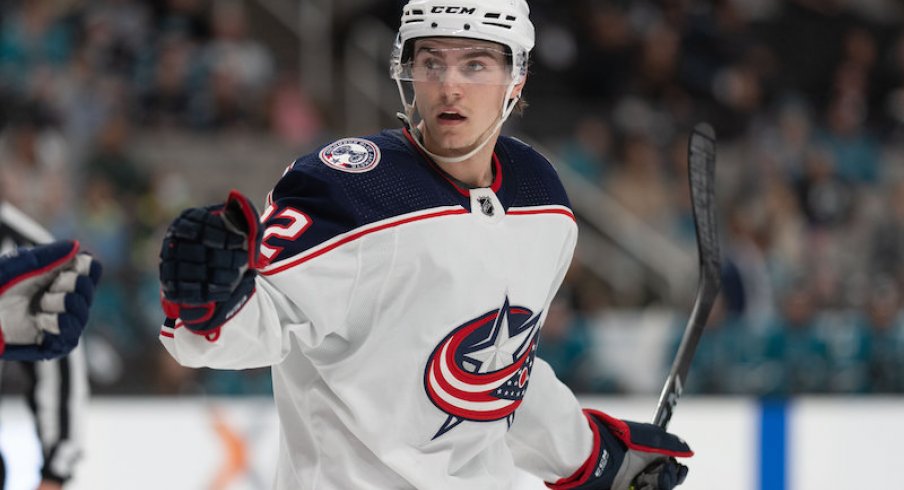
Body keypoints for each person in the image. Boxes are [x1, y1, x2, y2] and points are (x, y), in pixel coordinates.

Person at [159, 1, 692, 488]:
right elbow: (251, 325)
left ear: (517, 78)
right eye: (431, 62)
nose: (448, 86)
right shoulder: (348, 185)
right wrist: (209, 304)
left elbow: (499, 377)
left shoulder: (542, 199)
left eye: (476, 65)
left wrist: (594, 458)